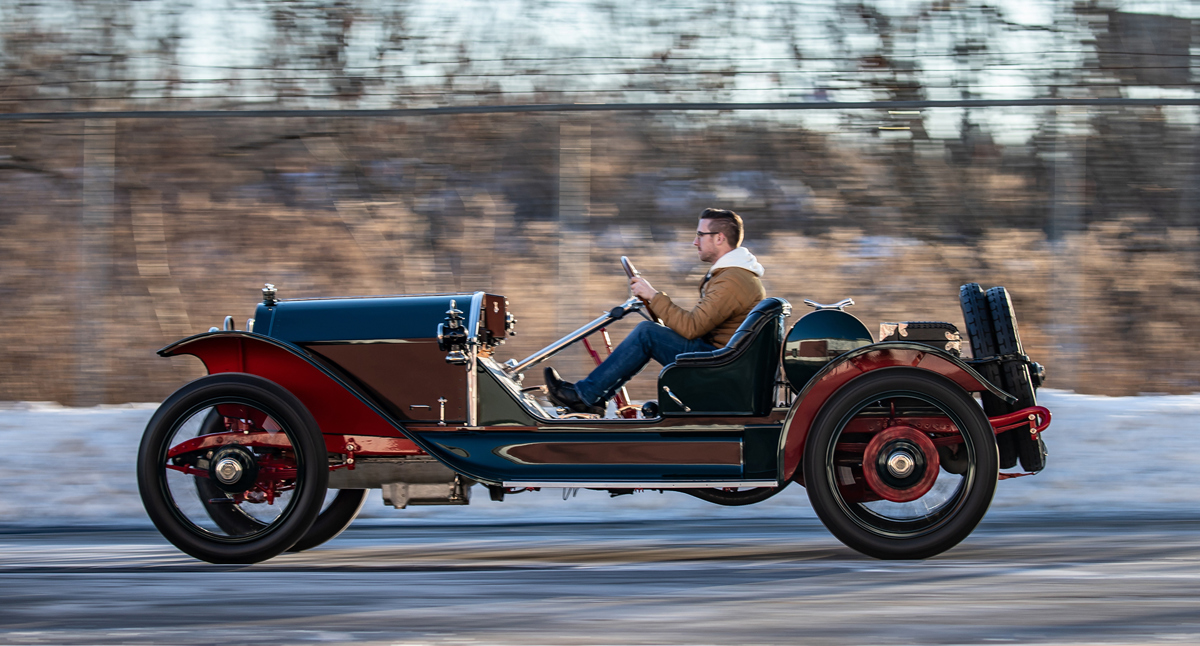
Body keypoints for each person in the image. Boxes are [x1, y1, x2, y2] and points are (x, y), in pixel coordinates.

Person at [545, 208, 766, 415]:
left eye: (700, 235)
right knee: (651, 332)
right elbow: (698, 326)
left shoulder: (733, 280)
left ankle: (585, 397)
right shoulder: (733, 275)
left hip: (720, 367)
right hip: (723, 360)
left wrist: (653, 296)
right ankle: (592, 396)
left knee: (647, 333)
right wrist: (655, 302)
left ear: (719, 238)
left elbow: (692, 328)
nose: (694, 242)